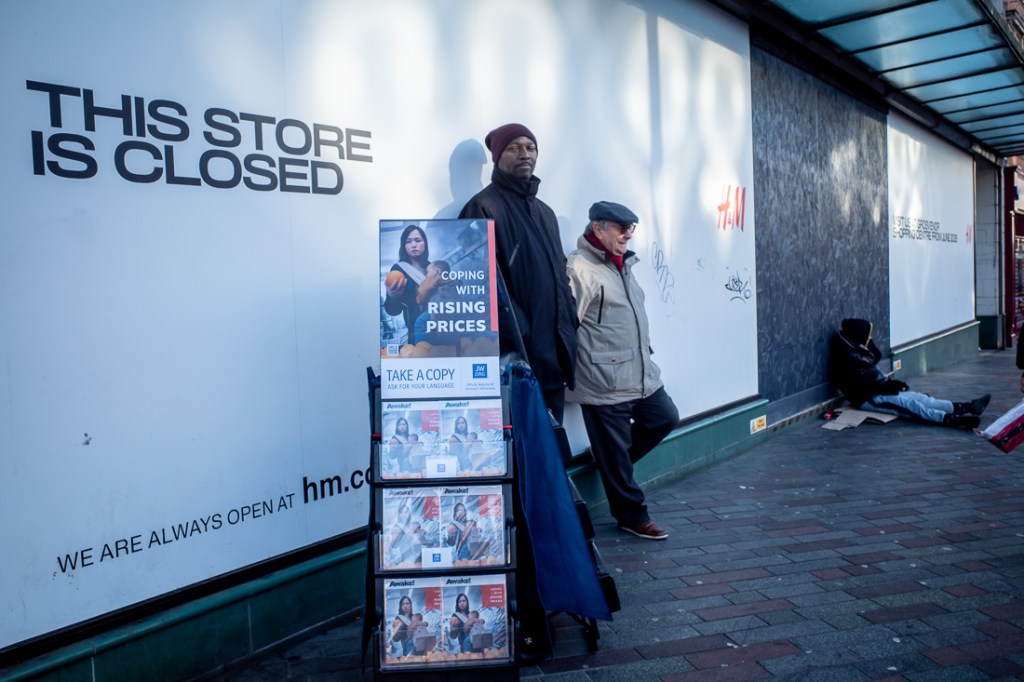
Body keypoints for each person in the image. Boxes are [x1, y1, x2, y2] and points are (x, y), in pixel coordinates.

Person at [566, 201, 678, 541]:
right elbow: (566, 325)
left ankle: (609, 460)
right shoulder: (580, 268)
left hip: (640, 373)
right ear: (598, 229)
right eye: (620, 227)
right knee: (614, 455)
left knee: (665, 417)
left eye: (631, 227)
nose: (628, 233)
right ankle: (632, 515)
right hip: (602, 380)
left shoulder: (622, 265)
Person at [459, 123, 576, 422]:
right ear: (498, 157)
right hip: (517, 359)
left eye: (530, 147)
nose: (524, 154)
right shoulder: (482, 208)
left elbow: (558, 275)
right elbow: (476, 288)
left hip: (554, 355)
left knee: (549, 451)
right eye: (513, 148)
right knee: (519, 451)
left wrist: (569, 320)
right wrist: (519, 333)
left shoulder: (546, 213)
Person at [830, 318, 990, 428]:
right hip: (868, 399)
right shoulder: (847, 361)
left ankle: (966, 407)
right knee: (912, 406)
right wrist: (889, 387)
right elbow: (863, 386)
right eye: (868, 336)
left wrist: (891, 385)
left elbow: (875, 360)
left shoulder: (855, 351)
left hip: (878, 391)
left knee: (920, 398)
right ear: (858, 337)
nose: (871, 338)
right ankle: (952, 420)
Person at [384, 224, 431, 344]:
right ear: (403, 246)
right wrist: (393, 296)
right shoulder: (398, 269)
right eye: (408, 242)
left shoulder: (432, 267)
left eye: (418, 240)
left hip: (439, 326)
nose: (413, 245)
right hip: (415, 331)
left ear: (425, 243)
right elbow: (393, 311)